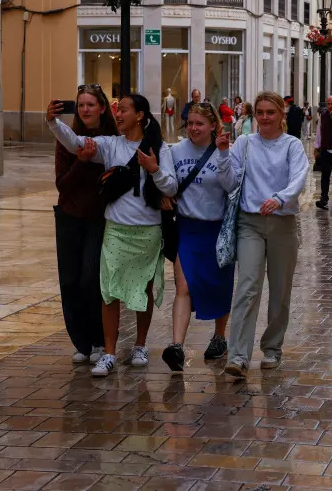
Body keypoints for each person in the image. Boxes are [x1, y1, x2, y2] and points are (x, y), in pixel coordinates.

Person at [48, 94, 178, 377]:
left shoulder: (159, 148)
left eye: (125, 110)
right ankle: (108, 352)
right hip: (116, 230)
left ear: (140, 115)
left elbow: (170, 187)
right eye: (117, 110)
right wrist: (53, 122)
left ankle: (140, 345)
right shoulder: (110, 145)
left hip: (147, 231)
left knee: (143, 289)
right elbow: (76, 144)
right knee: (110, 292)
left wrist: (154, 170)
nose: (118, 115)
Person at [225, 92, 310, 378]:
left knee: (280, 290)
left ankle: (272, 348)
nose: (264, 118)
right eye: (259, 112)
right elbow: (230, 181)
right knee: (247, 286)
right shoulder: (244, 143)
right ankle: (237, 355)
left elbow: (299, 176)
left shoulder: (292, 145)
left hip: (282, 224)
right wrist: (224, 156)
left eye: (270, 112)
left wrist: (281, 197)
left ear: (281, 115)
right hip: (249, 223)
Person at [161, 103, 237, 372]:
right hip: (186, 228)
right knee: (183, 287)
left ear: (213, 126)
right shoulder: (176, 150)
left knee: (219, 285)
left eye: (200, 124)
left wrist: (225, 154)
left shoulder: (225, 150)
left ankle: (219, 337)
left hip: (217, 229)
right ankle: (177, 347)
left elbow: (232, 186)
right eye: (190, 123)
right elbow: (169, 182)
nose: (193, 128)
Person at [54, 85, 117, 366]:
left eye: (91, 104)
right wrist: (81, 163)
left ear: (102, 108)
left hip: (98, 218)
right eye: (81, 105)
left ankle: (97, 339)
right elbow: (63, 184)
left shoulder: (113, 140)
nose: (85, 110)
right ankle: (80, 341)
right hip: (69, 216)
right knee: (69, 281)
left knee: (91, 278)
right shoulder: (67, 141)